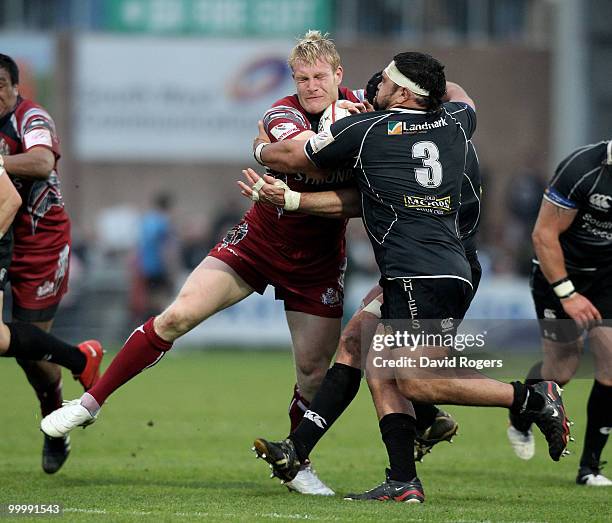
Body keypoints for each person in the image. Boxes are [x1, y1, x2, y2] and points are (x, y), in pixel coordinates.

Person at [41, 30, 366, 496]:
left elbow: (360, 200)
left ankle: (297, 461)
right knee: (177, 315)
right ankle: (90, 402)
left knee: (314, 375)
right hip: (258, 243)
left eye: (320, 77)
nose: (311, 86)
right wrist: (299, 143)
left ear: (338, 74)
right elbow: (297, 155)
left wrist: (288, 179)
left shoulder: (369, 118)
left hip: (317, 262)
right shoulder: (282, 111)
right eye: (302, 78)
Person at [244, 51, 571, 503]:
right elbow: (461, 95)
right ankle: (394, 477)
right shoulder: (455, 121)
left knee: (416, 380)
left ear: (401, 92)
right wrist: (430, 90)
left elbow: (296, 158)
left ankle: (531, 399)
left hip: (420, 269)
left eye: (385, 80)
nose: (373, 83)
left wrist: (260, 148)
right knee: (366, 350)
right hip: (445, 263)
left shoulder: (365, 130)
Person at [0, 54, 103, 474]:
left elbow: (42, 161)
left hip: (40, 242)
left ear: (14, 86)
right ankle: (80, 360)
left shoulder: (31, 116)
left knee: (30, 353)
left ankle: (53, 426)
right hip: (4, 235)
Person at [507, 140, 612, 487]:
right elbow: (544, 234)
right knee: (562, 369)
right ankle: (520, 414)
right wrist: (568, 295)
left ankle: (590, 468)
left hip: (607, 275)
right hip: (560, 273)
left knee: (611, 364)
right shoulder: (583, 168)